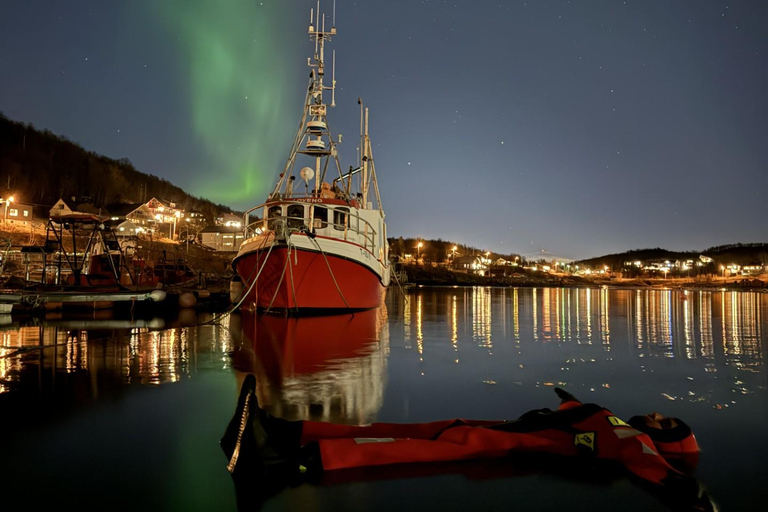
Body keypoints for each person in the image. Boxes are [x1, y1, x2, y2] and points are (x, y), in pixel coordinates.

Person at [221, 375, 717, 511]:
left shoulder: (635, 440)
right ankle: (285, 429)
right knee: (410, 431)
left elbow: (649, 465)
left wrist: (685, 494)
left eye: (664, 421)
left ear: (663, 437)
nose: (654, 414)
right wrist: (565, 397)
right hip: (506, 428)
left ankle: (285, 465)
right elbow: (581, 409)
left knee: (423, 447)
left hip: (511, 445)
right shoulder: (613, 420)